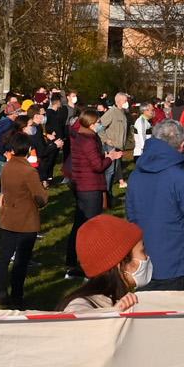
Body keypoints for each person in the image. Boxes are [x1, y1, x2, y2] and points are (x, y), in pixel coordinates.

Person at [126, 119, 184, 290]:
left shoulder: (135, 176)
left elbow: (131, 215)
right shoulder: (182, 180)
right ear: (182, 144)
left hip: (143, 257)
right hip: (174, 261)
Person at [0, 131, 47, 307]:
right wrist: (43, 194)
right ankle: (17, 295)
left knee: (4, 256)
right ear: (29, 149)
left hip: (8, 217)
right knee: (21, 260)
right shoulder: (29, 171)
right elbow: (40, 198)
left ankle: (0, 291)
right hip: (26, 220)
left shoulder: (7, 167)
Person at [63, 215, 149, 312]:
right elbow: (75, 315)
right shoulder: (82, 304)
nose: (147, 256)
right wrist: (112, 315)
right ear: (121, 262)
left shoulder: (118, 297)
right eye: (143, 251)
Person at [64, 105, 110, 274]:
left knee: (80, 223)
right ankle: (87, 262)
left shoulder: (80, 136)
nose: (100, 125)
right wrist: (110, 158)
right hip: (89, 186)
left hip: (82, 185)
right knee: (91, 226)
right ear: (91, 124)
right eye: (98, 122)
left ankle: (72, 260)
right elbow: (97, 165)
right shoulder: (88, 140)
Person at [97, 92, 131, 198]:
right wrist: (106, 140)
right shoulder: (112, 112)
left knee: (114, 171)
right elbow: (99, 127)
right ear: (119, 101)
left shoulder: (123, 113)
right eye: (125, 100)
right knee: (110, 171)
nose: (127, 102)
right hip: (111, 147)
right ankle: (105, 195)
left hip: (119, 147)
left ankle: (109, 193)